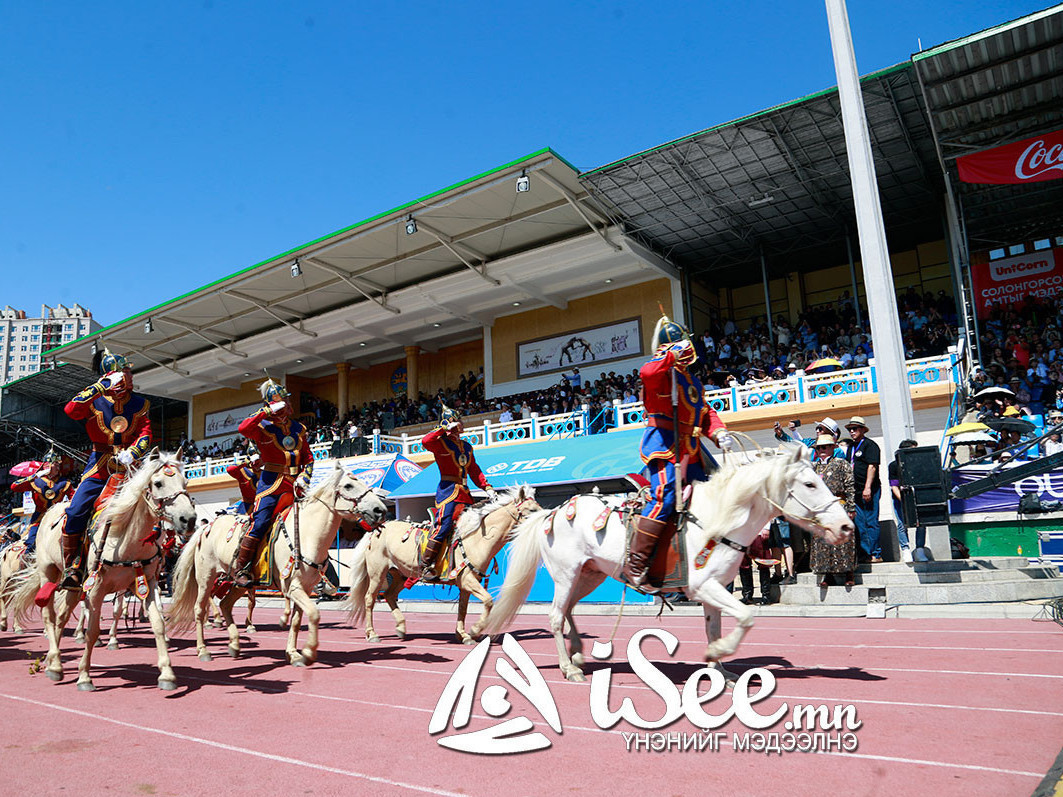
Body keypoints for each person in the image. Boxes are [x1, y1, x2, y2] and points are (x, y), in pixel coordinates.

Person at [624, 314, 733, 587]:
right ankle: (636, 563)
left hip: (692, 451)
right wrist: (669, 356)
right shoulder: (661, 373)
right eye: (683, 344)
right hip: (665, 445)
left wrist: (718, 432)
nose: (688, 348)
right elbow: (647, 373)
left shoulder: (692, 381)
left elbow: (705, 413)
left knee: (714, 499)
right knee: (665, 498)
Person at [59, 350, 152, 589]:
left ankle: (154, 558)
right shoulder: (95, 400)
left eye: (130, 372)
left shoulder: (140, 403)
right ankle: (72, 566)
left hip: (130, 466)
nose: (130, 376)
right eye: (126, 372)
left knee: (157, 503)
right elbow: (71, 410)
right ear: (113, 376)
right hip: (100, 465)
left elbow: (145, 433)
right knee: (76, 510)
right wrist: (99, 388)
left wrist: (134, 451)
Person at [231, 378, 313, 589]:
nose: (288, 404)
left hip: (296, 485)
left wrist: (305, 477)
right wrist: (267, 411)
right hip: (272, 484)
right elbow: (243, 428)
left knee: (313, 522)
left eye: (287, 400)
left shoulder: (299, 428)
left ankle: (321, 573)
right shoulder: (262, 426)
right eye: (283, 400)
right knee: (260, 522)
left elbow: (309, 458)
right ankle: (242, 568)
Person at [410, 405, 495, 584]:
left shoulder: (467, 447)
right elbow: (425, 441)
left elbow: (474, 470)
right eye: (458, 421)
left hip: (465, 493)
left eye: (460, 421)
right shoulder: (440, 442)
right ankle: (426, 566)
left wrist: (487, 487)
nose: (461, 424)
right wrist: (442, 428)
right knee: (444, 525)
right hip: (448, 492)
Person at [810, 433, 857, 586]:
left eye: (825, 447)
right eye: (819, 448)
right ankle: (827, 574)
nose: (821, 450)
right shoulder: (813, 467)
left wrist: (851, 506)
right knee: (823, 542)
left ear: (832, 447)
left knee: (844, 540)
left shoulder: (841, 463)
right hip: (821, 510)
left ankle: (849, 573)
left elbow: (850, 486)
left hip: (839, 505)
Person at [10, 453, 73, 555]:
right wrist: (34, 476)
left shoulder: (64, 482)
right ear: (47, 465)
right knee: (32, 541)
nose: (58, 467)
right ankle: (27, 561)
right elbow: (14, 487)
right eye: (55, 464)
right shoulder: (36, 480)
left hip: (56, 517)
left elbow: (73, 498)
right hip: (39, 517)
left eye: (58, 465)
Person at [844, 416, 882, 563]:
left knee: (871, 521)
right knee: (859, 522)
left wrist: (867, 487)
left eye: (855, 429)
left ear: (862, 430)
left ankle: (876, 553)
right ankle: (865, 553)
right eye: (850, 429)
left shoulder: (870, 445)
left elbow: (872, 466)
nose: (852, 431)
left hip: (869, 489)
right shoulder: (851, 447)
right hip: (855, 491)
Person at [889, 439, 925, 564]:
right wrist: (904, 501)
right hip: (901, 498)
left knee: (921, 523)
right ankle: (906, 549)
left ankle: (920, 549)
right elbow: (894, 486)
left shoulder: (919, 464)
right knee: (901, 523)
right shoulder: (894, 465)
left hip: (917, 496)